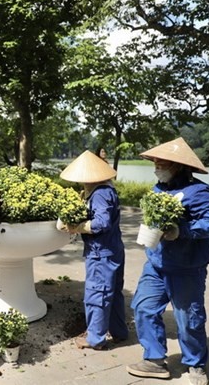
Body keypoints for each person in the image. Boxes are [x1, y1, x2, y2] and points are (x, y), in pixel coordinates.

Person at [126, 137, 209, 385]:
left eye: (161, 162)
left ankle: (196, 364)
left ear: (178, 165)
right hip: (156, 265)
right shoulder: (158, 190)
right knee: (143, 308)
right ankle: (154, 360)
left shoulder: (199, 192)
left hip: (187, 267)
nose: (156, 167)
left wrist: (182, 231)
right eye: (155, 162)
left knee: (188, 318)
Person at [56, 150, 129, 350]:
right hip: (112, 249)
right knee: (113, 294)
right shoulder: (107, 189)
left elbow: (102, 223)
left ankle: (95, 339)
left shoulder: (100, 194)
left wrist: (77, 227)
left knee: (97, 293)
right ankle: (119, 332)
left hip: (101, 253)